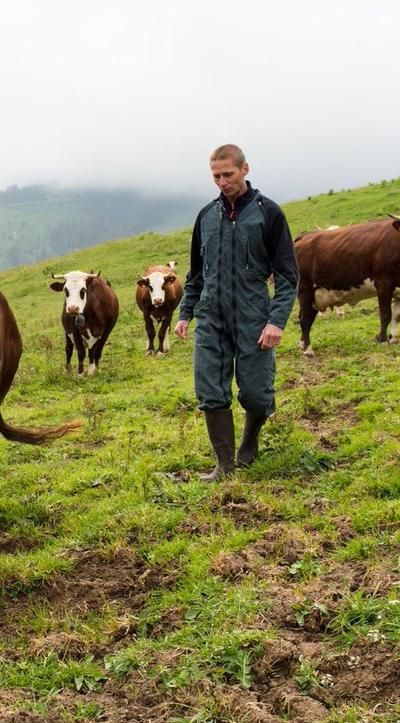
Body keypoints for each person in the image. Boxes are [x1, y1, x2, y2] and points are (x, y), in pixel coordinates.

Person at [173, 144, 298, 480]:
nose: (222, 182)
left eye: (227, 174)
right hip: (211, 316)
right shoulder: (205, 217)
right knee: (210, 390)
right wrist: (186, 312)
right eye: (216, 176)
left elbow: (288, 276)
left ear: (245, 169)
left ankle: (250, 442)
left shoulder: (268, 214)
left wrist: (276, 321)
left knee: (257, 392)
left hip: (253, 315)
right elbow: (196, 274)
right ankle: (224, 466)